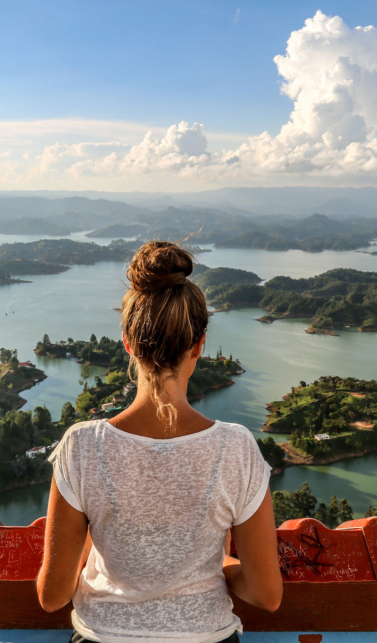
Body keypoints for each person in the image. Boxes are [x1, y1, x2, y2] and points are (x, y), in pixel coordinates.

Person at [37, 240, 282, 643]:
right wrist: (217, 563)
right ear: (199, 346)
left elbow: (53, 597)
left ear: (129, 344)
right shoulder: (236, 449)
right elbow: (266, 595)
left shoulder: (82, 446)